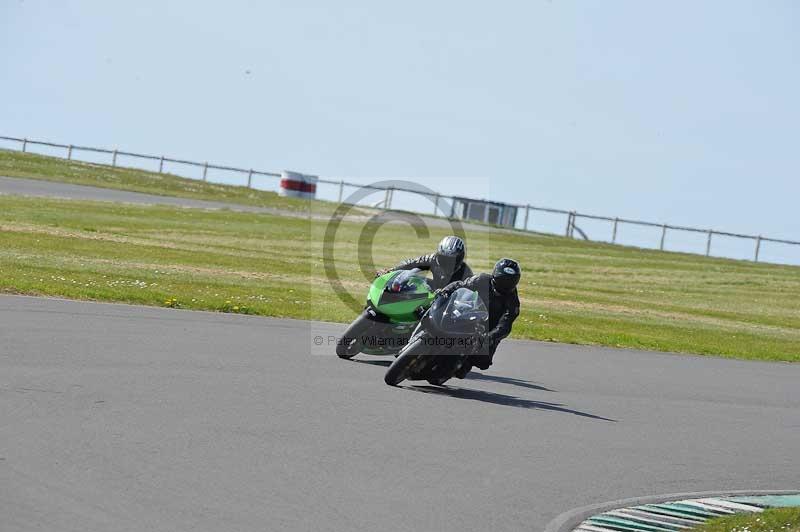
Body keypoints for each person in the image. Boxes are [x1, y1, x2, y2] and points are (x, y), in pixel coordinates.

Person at [436, 258, 521, 375]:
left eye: (509, 282)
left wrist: (491, 337)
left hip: (487, 329)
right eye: (502, 280)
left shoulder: (512, 302)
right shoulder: (482, 279)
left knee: (482, 361)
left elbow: (505, 325)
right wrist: (445, 291)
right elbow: (460, 285)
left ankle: (461, 363)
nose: (504, 284)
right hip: (467, 314)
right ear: (495, 275)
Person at [376, 235, 472, 290]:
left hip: (448, 305)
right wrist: (390, 271)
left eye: (451, 259)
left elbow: (469, 295)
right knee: (414, 280)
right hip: (433, 292)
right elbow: (411, 263)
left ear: (459, 258)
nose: (447, 262)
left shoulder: (466, 272)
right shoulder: (433, 259)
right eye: (444, 258)